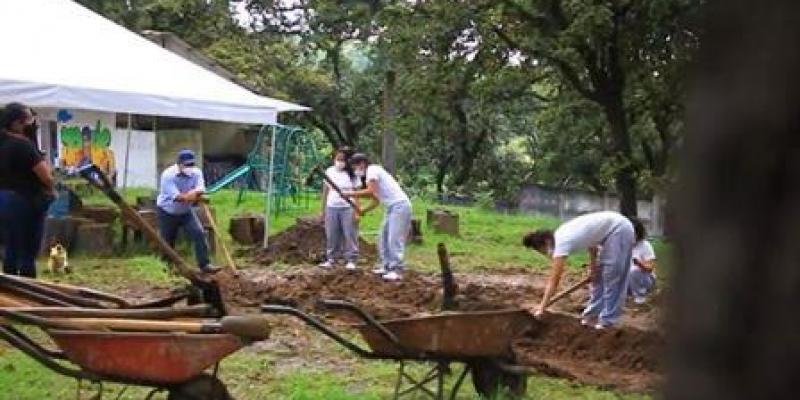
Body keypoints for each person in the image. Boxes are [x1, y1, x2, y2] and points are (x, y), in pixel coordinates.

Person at [523, 211, 634, 329]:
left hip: (619, 229)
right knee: (599, 280)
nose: (546, 254)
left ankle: (607, 322)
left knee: (612, 277)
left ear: (546, 243)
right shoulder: (562, 233)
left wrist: (541, 307)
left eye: (543, 251)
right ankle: (591, 316)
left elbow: (554, 281)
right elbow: (592, 244)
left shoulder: (562, 242)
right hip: (608, 233)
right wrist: (593, 269)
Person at [0, 103, 56, 277]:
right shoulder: (23, 145)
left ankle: (9, 289)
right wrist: (51, 189)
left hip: (3, 199)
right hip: (25, 201)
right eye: (29, 119)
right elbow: (45, 176)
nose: (32, 123)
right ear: (17, 123)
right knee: (27, 251)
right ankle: (28, 289)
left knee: (10, 247)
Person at [344, 153, 411, 281]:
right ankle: (386, 266)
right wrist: (363, 210)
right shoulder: (372, 174)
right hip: (391, 207)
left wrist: (350, 194)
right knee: (383, 237)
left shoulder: (372, 170)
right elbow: (376, 201)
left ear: (362, 164)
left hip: (400, 206)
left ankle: (397, 269)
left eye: (355, 167)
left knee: (394, 238)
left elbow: (370, 192)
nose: (355, 171)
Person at [156, 149, 218, 274]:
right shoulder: (168, 176)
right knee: (167, 241)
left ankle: (204, 264)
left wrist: (193, 194)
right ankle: (167, 267)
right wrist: (193, 195)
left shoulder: (197, 173)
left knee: (199, 233)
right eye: (186, 165)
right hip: (167, 212)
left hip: (186, 212)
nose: (189, 167)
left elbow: (201, 189)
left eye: (191, 164)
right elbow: (179, 198)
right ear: (179, 164)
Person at [319, 146, 361, 270]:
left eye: (342, 159)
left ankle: (351, 259)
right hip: (332, 206)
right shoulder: (329, 171)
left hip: (348, 207)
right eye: (337, 158)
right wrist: (323, 209)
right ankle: (331, 258)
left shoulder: (352, 174)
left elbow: (357, 193)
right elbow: (325, 191)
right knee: (332, 234)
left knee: (349, 233)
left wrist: (357, 210)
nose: (339, 162)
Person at [628, 218, 657, 304]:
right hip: (628, 280)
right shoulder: (623, 245)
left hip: (645, 278)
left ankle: (640, 296)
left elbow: (650, 267)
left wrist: (640, 264)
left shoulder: (645, 245)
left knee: (634, 271)